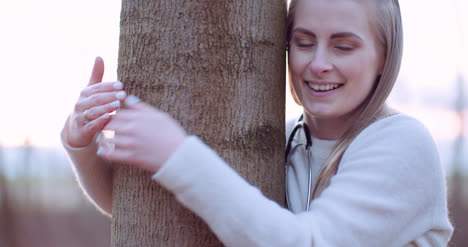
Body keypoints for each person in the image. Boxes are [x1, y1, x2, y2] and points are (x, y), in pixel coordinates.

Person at [61, 0, 453, 246]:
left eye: (343, 46)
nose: (318, 63)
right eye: (303, 42)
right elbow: (151, 207)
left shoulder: (402, 143)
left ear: (384, 57)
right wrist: (84, 143)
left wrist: (177, 153)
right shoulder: (283, 142)